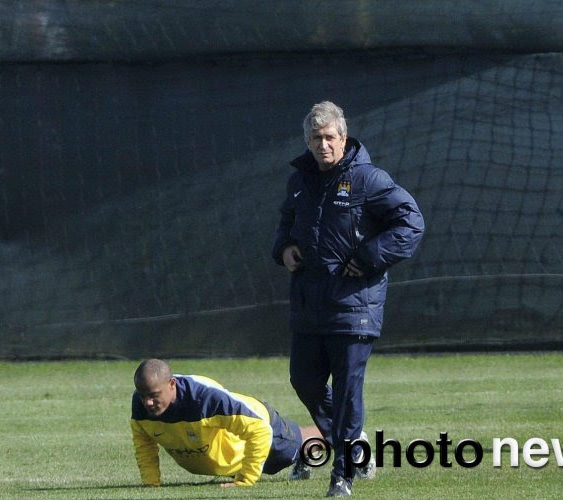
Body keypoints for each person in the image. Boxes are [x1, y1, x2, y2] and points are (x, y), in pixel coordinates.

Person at [272, 101, 424, 497]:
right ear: (307, 141)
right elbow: (287, 222)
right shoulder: (300, 181)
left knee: (346, 391)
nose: (323, 145)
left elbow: (411, 222)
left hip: (355, 307)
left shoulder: (368, 179)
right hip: (309, 303)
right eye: (316, 138)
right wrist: (284, 249)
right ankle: (354, 447)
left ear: (343, 138)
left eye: (329, 138)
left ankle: (342, 475)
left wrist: (369, 258)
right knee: (303, 381)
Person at [130, 358, 321, 488]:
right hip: (234, 456)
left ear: (172, 384)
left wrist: (245, 480)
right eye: (143, 395)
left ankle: (339, 430)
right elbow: (144, 445)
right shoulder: (141, 405)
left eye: (154, 395)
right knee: (273, 466)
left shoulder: (205, 399)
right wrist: (151, 483)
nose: (147, 402)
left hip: (262, 424)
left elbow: (260, 430)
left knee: (297, 445)